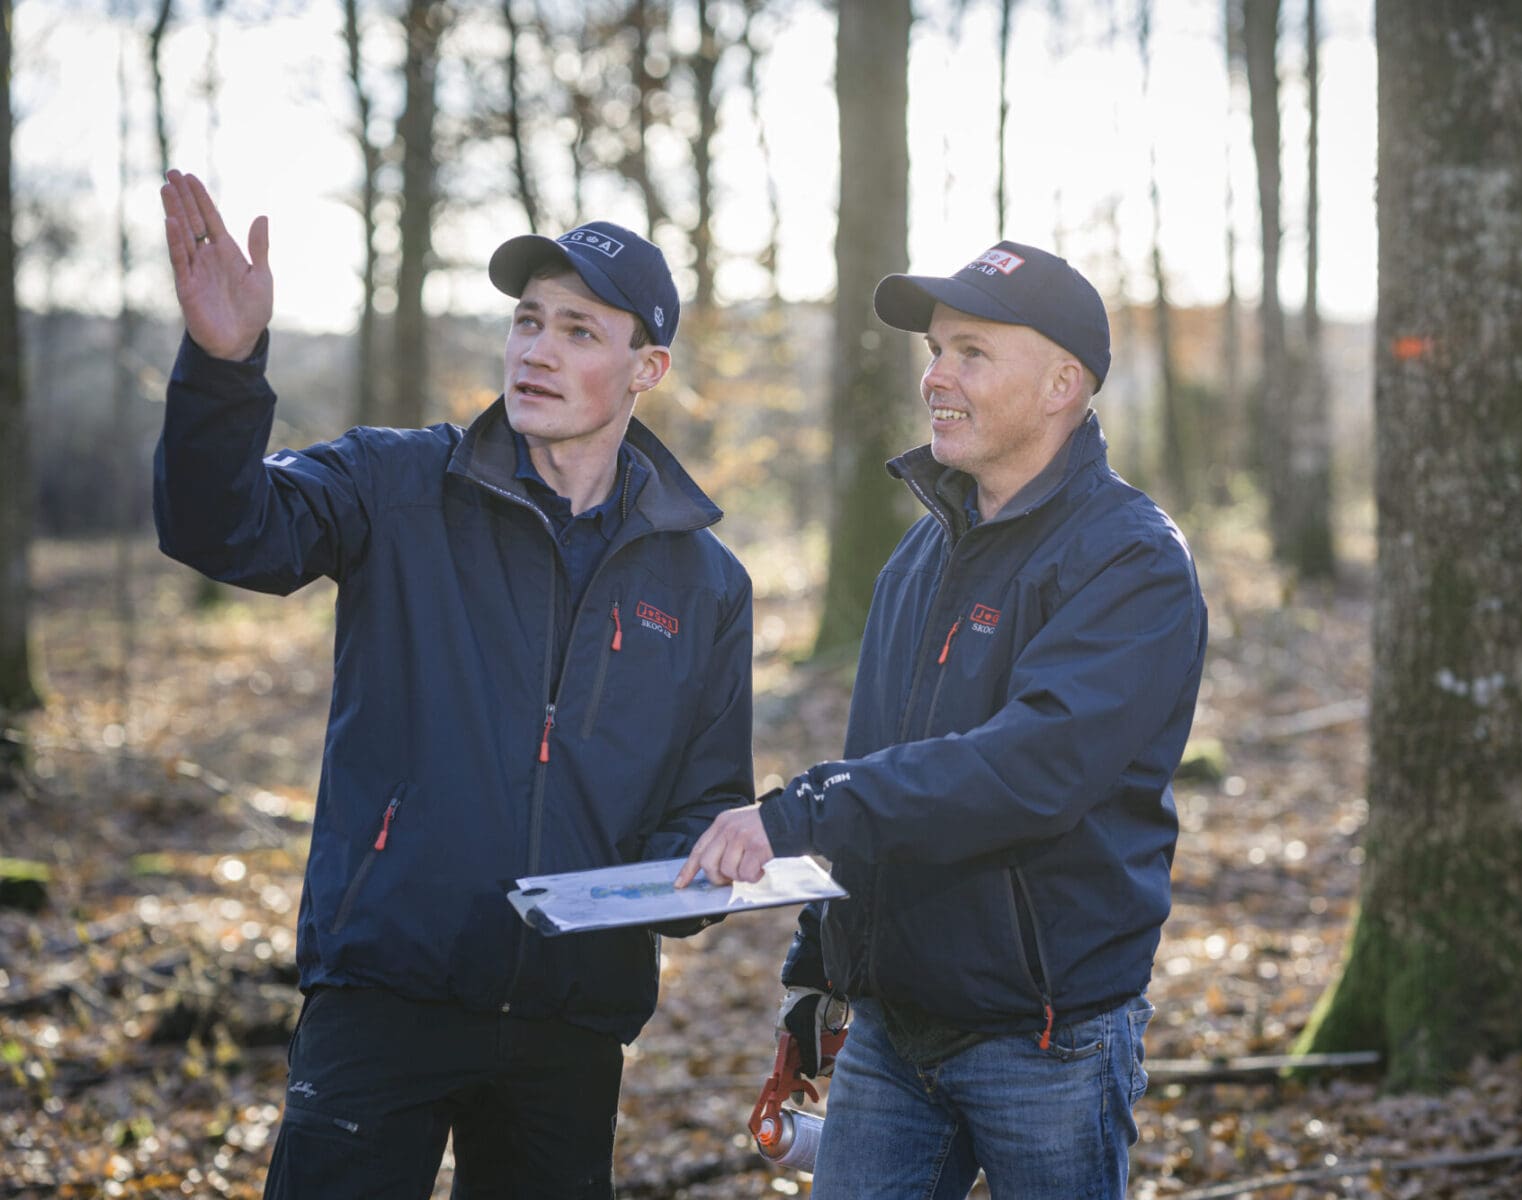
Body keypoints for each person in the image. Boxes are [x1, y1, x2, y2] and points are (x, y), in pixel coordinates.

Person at [154, 170, 753, 1199]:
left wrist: (702, 873)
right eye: (526, 322)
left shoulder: (703, 583)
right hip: (386, 993)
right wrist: (224, 367)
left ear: (645, 366)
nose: (534, 350)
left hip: (568, 1027)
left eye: (576, 330)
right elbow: (225, 528)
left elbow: (699, 803)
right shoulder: (396, 486)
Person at [677, 240, 1208, 1197]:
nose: (936, 379)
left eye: (971, 352)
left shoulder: (1129, 559)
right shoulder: (918, 557)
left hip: (1044, 1037)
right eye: (934, 351)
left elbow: (1028, 770)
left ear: (1061, 383)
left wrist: (796, 812)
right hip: (891, 1027)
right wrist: (819, 967)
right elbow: (886, 766)